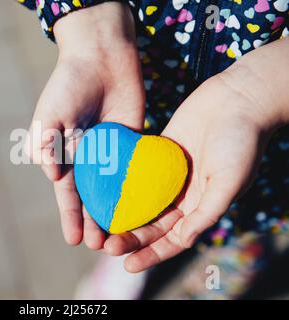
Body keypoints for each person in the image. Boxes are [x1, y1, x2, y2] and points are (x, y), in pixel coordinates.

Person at [17, 0, 288, 298]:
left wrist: (261, 90)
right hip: (140, 91)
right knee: (157, 216)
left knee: (243, 230)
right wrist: (90, 25)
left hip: (276, 153)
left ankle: (225, 270)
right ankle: (130, 230)